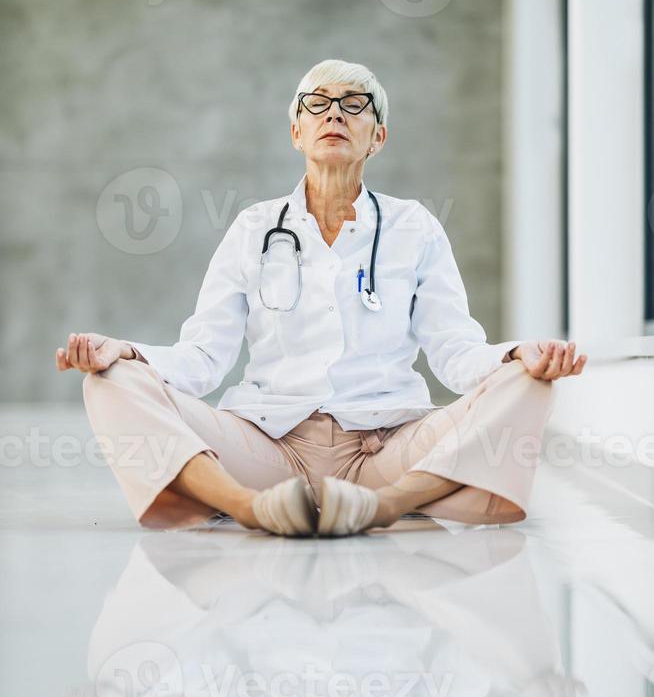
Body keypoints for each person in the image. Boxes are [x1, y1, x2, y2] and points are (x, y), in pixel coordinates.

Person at [55, 58, 586, 536]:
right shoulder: (253, 227)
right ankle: (247, 507)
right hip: (268, 448)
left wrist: (518, 355)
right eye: (318, 104)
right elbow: (203, 358)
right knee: (112, 381)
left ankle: (384, 506)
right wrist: (128, 352)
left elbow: (454, 353)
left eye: (354, 106)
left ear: (377, 136)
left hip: (385, 449)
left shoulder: (414, 227)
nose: (335, 114)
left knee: (528, 384)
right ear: (297, 132)